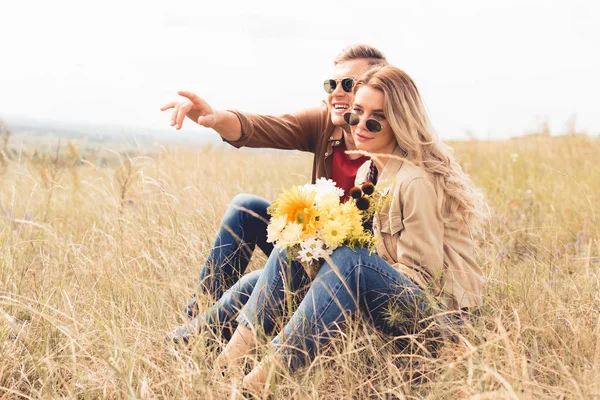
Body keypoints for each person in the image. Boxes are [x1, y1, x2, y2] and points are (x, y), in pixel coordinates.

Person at [215, 65, 487, 395]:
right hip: (389, 300)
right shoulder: (367, 174)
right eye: (356, 114)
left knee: (350, 260)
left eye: (376, 118)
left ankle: (259, 382)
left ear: (399, 123)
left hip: (441, 323)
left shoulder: (414, 181)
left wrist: (340, 264)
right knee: (299, 241)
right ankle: (227, 361)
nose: (361, 125)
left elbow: (424, 279)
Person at [160, 45, 388, 342]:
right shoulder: (323, 125)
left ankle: (194, 341)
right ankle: (197, 317)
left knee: (258, 280)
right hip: (311, 254)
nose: (338, 93)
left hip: (353, 270)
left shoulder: (391, 149)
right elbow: (262, 127)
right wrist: (216, 117)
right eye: (332, 84)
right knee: (247, 209)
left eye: (349, 84)